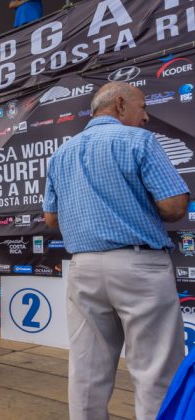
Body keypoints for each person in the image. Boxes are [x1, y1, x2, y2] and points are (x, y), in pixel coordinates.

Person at [43, 81, 189, 420]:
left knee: (87, 370)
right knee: (155, 370)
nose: (147, 117)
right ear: (120, 105)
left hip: (83, 266)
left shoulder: (61, 153)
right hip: (139, 265)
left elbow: (50, 218)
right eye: (142, 108)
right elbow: (173, 207)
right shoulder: (138, 140)